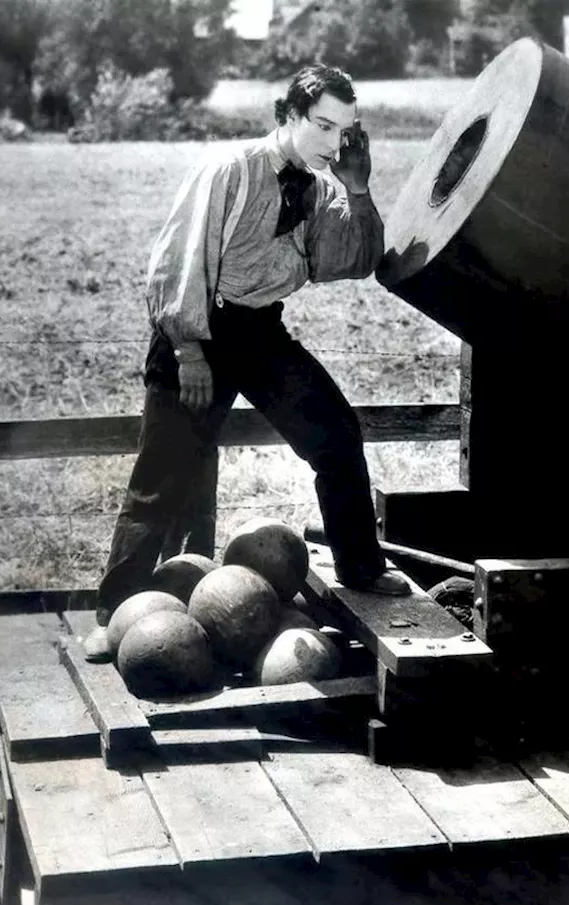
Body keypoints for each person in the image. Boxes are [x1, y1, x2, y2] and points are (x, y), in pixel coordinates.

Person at [87, 64, 411, 660]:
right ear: (287, 116)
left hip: (259, 333)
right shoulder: (230, 168)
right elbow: (176, 261)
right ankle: (115, 613)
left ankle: (360, 567)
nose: (333, 142)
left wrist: (357, 188)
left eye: (346, 130)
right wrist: (188, 350)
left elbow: (351, 260)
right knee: (163, 475)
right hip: (197, 329)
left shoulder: (316, 185)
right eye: (322, 126)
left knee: (336, 433)